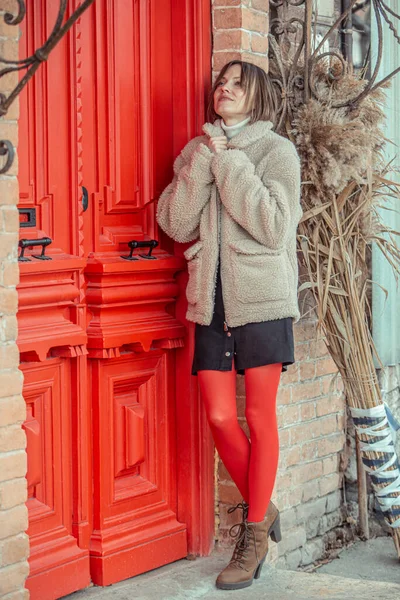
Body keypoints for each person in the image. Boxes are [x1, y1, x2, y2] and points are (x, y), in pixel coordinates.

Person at [156, 60, 302, 590]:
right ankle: (264, 509)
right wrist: (202, 162)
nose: (225, 88)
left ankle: (252, 533)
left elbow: (273, 225)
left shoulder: (276, 152)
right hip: (210, 300)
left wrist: (230, 163)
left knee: (259, 417)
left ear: (257, 95)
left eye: (238, 83)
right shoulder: (200, 151)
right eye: (222, 81)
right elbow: (173, 222)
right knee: (220, 416)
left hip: (263, 300)